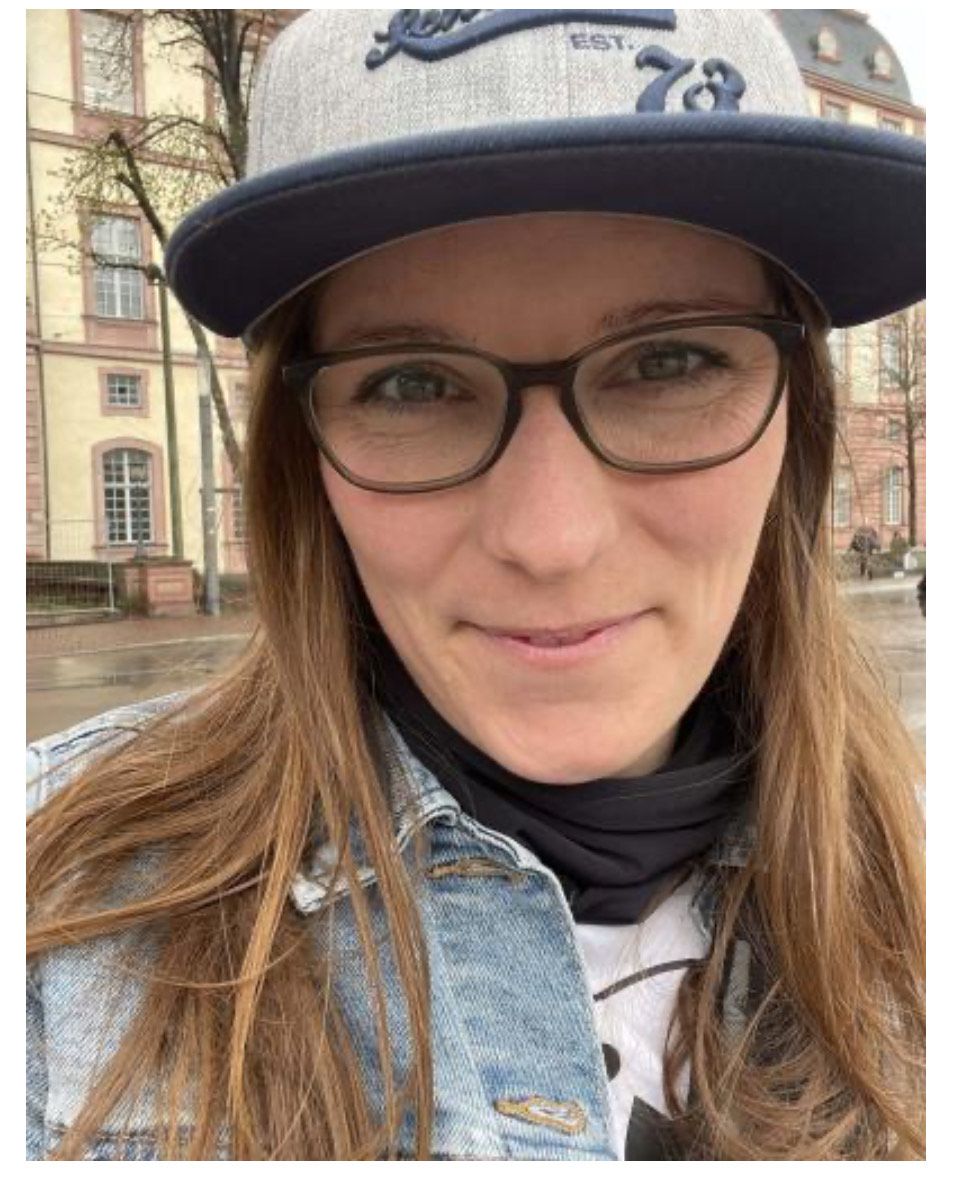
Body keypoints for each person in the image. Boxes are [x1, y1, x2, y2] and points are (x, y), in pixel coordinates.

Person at [27, 9, 925, 1161]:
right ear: (305, 459)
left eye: (669, 363)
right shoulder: (52, 906)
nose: (551, 541)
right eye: (412, 384)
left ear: (799, 418)